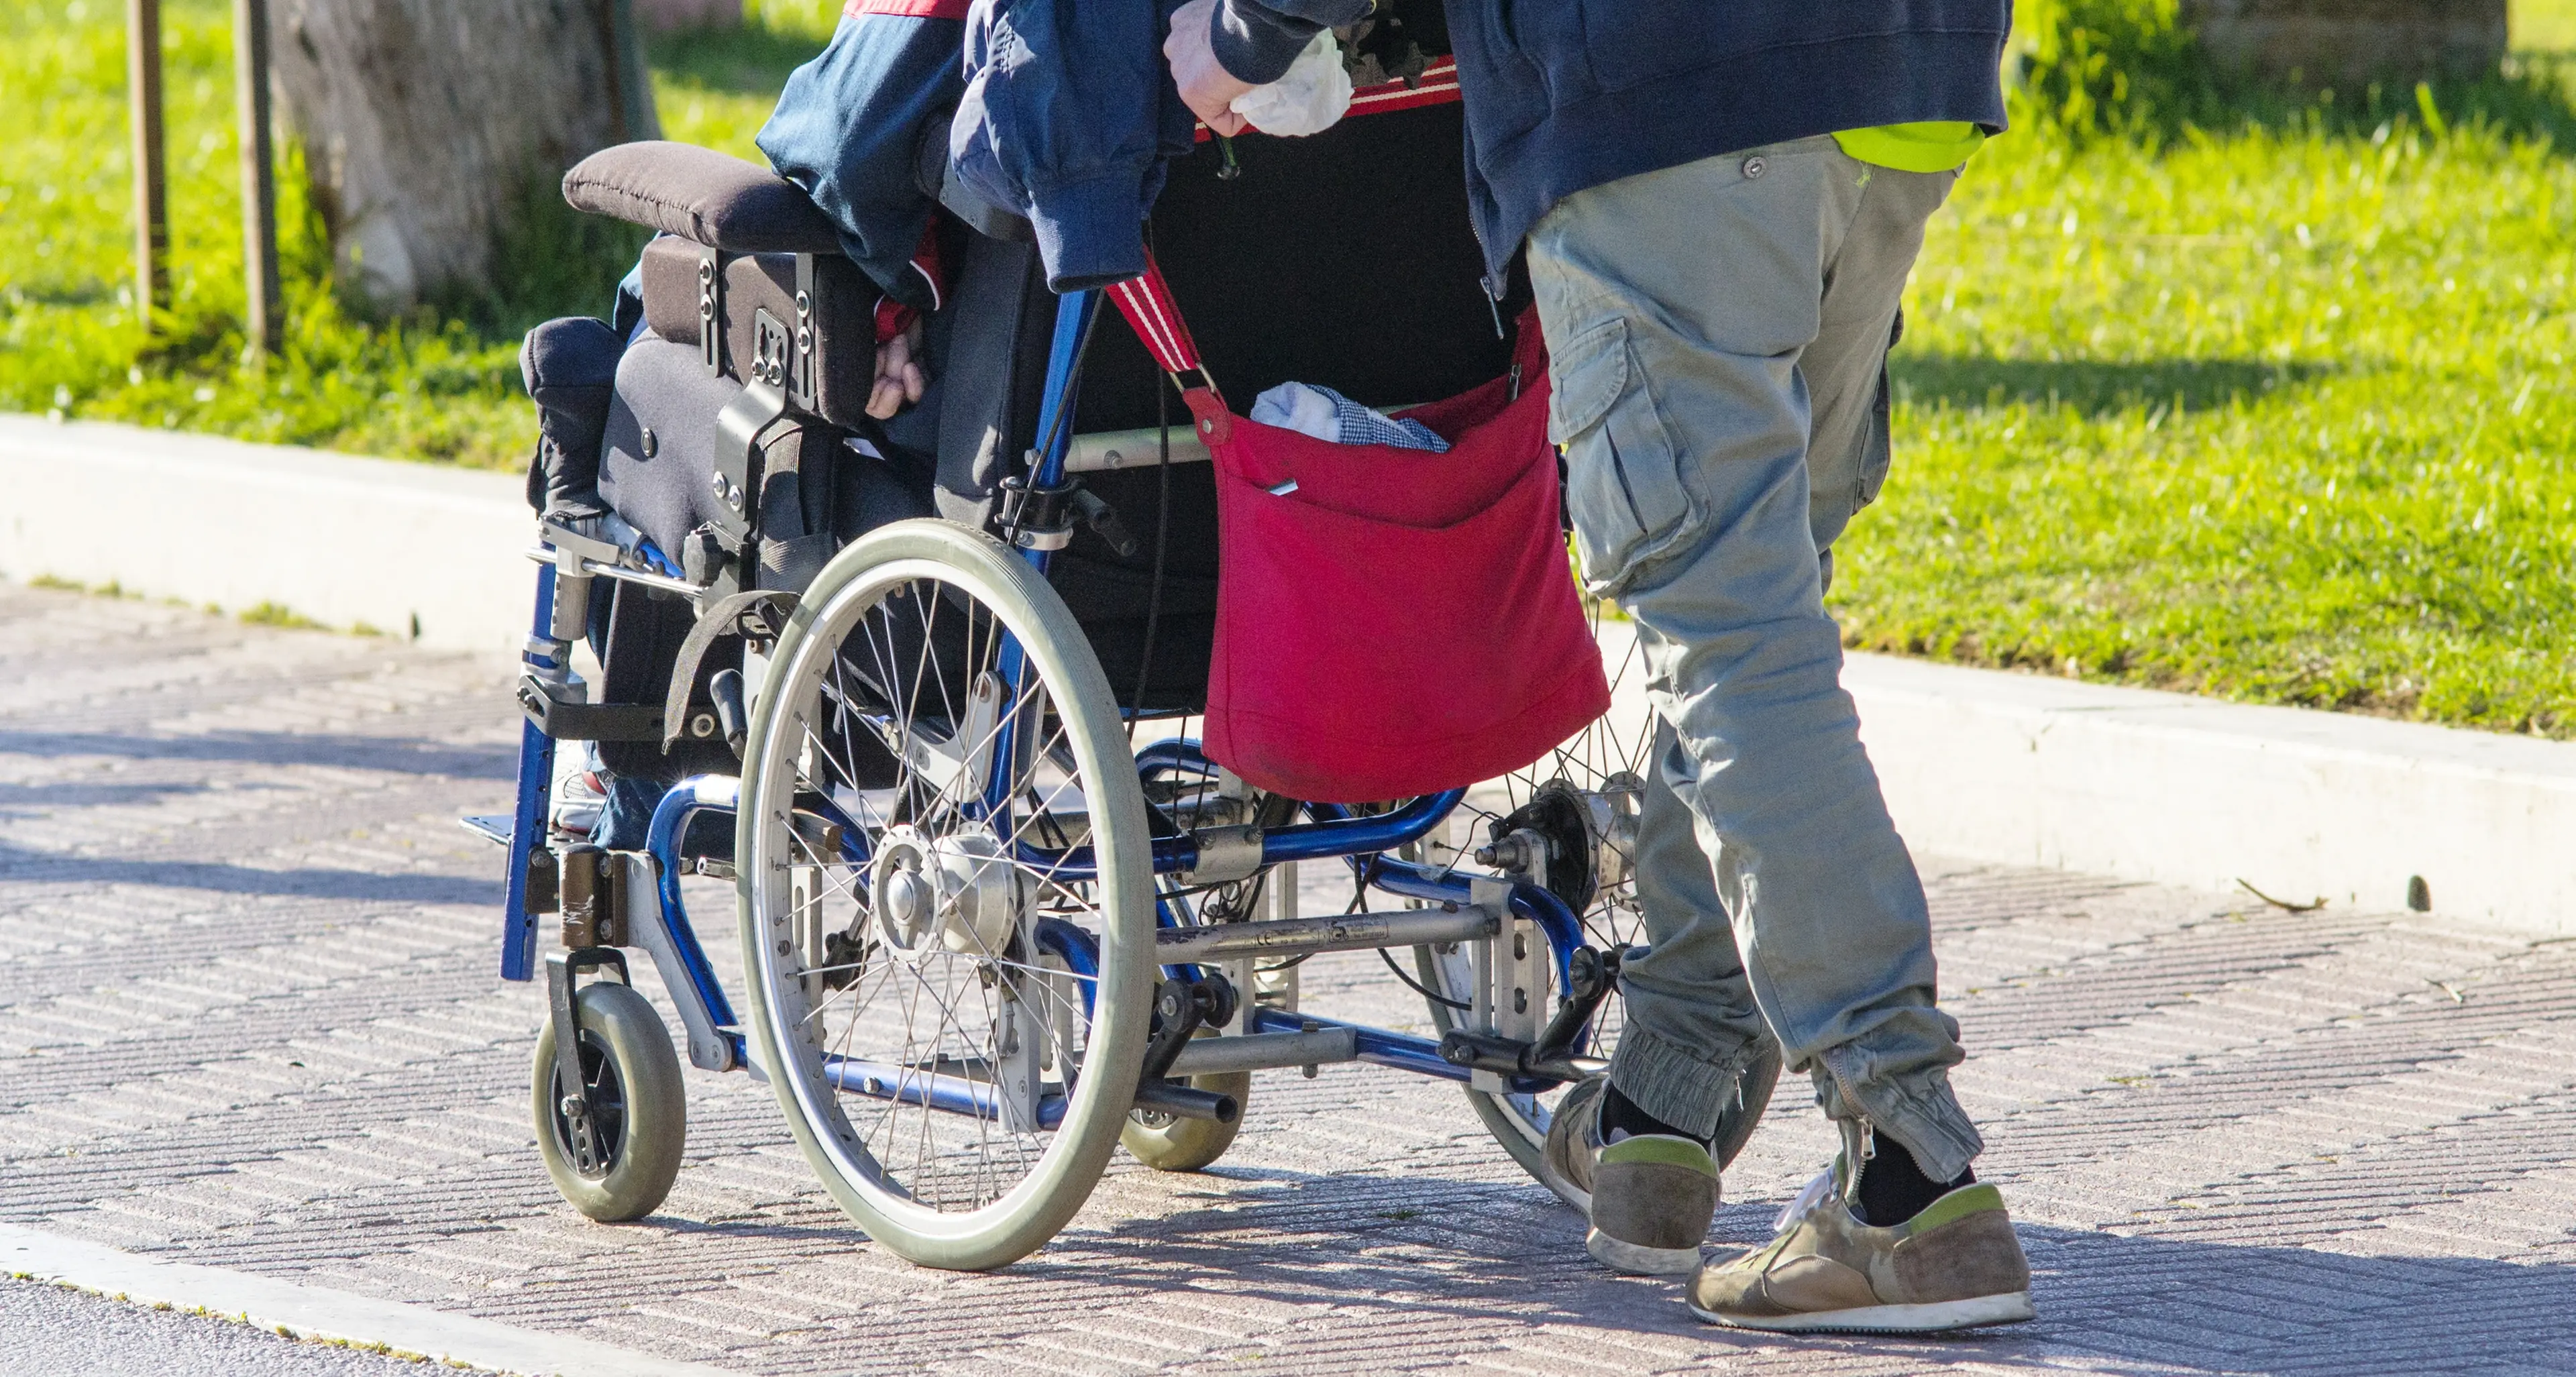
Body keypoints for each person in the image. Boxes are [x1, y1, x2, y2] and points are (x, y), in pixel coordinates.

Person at [1167, 0, 2033, 1335]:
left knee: (1731, 626)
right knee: (1752, 599)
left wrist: (1251, 28)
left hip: (1667, 88)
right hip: (1901, 74)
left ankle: (1907, 1171)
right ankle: (1663, 1113)